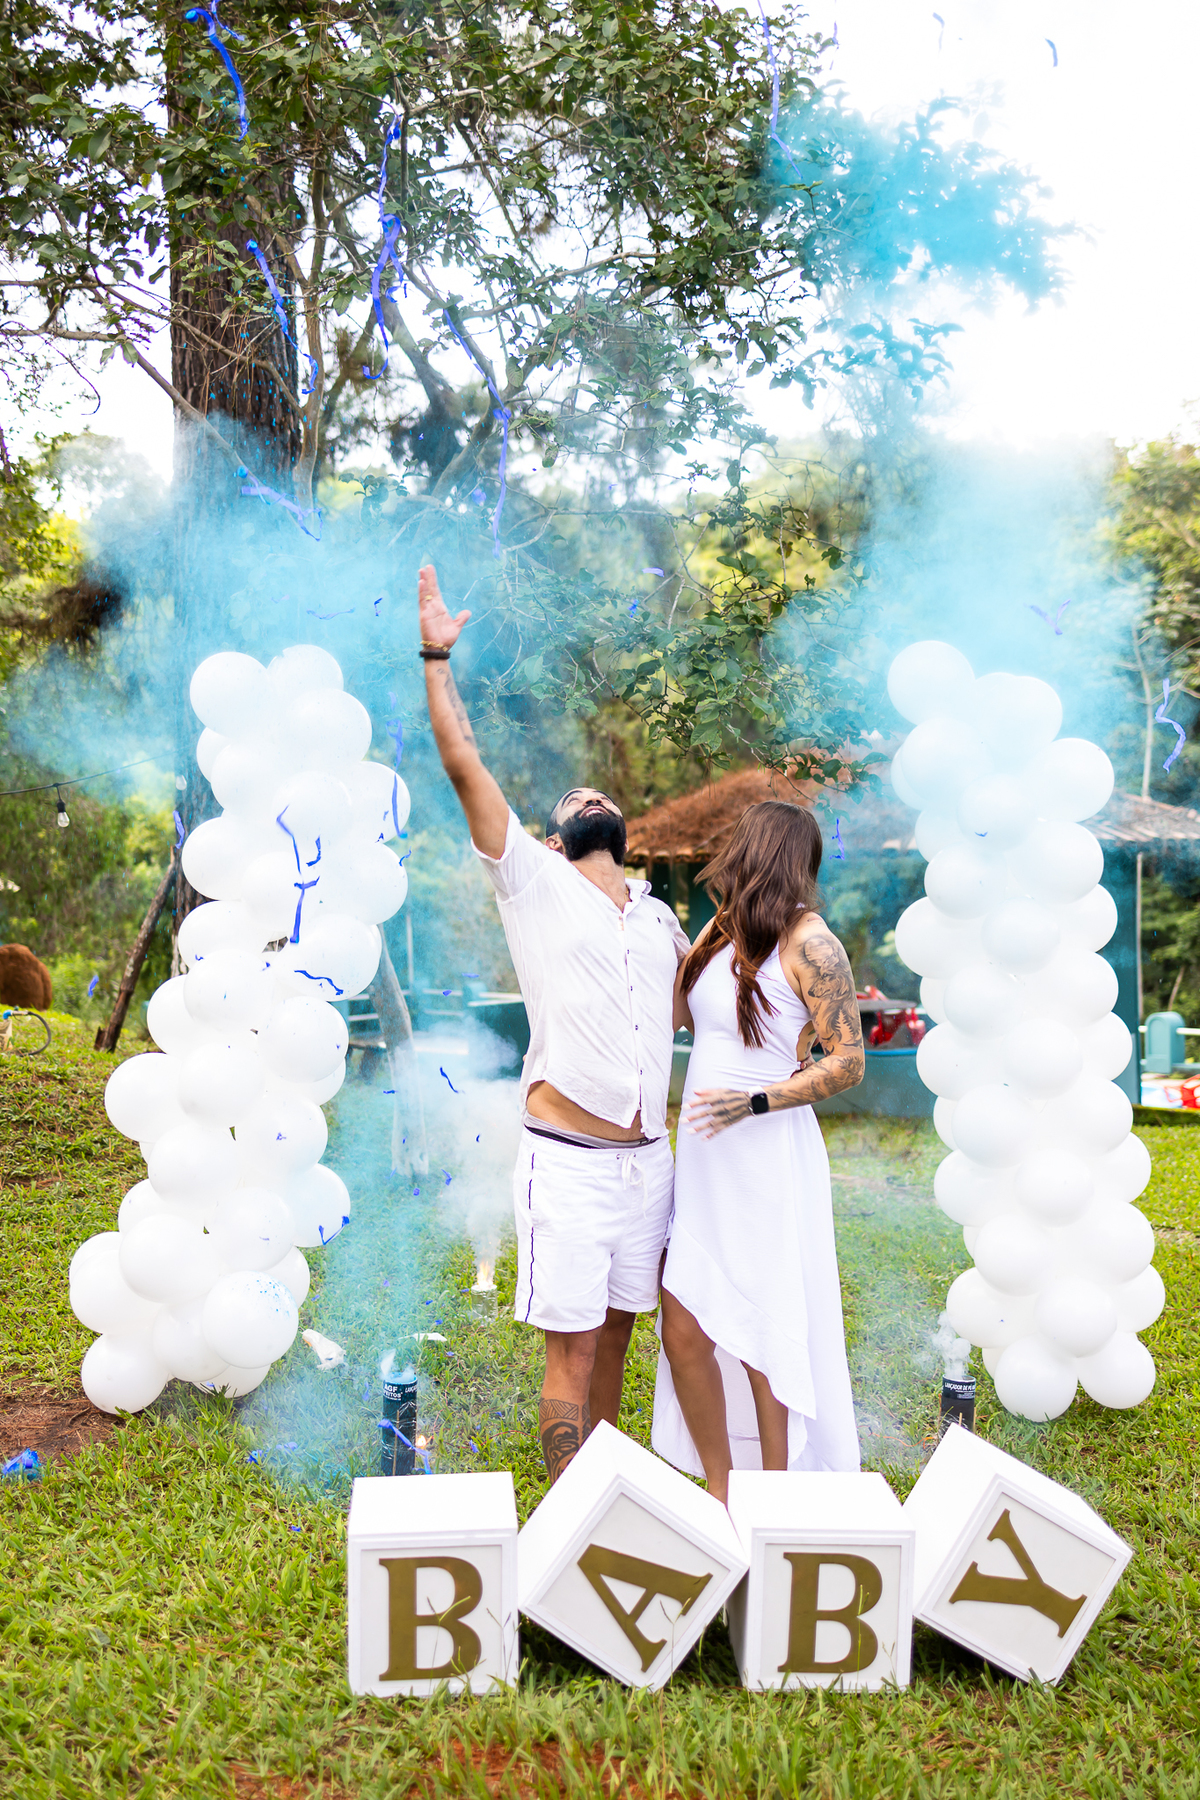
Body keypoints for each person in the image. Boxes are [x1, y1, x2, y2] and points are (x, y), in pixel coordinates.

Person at [418, 562, 690, 1482]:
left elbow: (694, 1006)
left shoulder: (657, 916)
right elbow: (463, 762)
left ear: (623, 831)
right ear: (548, 838)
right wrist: (436, 660)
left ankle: (604, 1492)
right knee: (569, 1349)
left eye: (599, 796)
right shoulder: (532, 885)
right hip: (568, 1166)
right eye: (572, 800)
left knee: (617, 1335)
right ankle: (573, 1504)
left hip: (649, 1162)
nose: (589, 794)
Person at [651, 800, 865, 1502]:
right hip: (704, 1164)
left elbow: (848, 1062)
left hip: (765, 1156)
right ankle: (722, 1487)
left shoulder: (813, 944)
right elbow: (679, 1017)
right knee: (684, 1328)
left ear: (759, 852)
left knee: (764, 1326)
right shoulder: (718, 932)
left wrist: (757, 1100)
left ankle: (776, 1491)